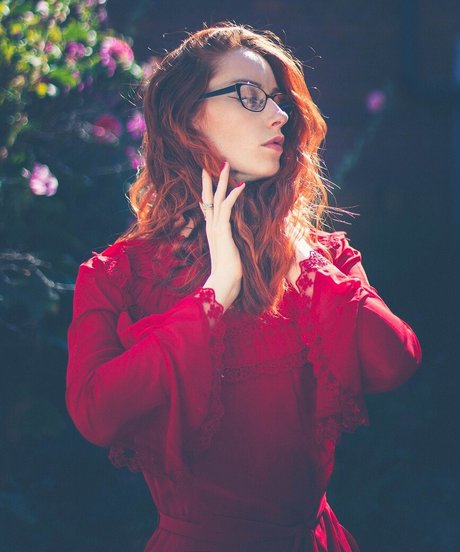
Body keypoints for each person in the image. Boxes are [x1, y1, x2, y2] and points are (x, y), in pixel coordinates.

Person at [66, 22, 422, 552]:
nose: (280, 115)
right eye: (251, 96)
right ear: (189, 115)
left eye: (278, 100)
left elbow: (396, 362)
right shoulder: (116, 275)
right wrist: (215, 294)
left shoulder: (321, 257)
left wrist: (294, 249)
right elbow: (95, 414)